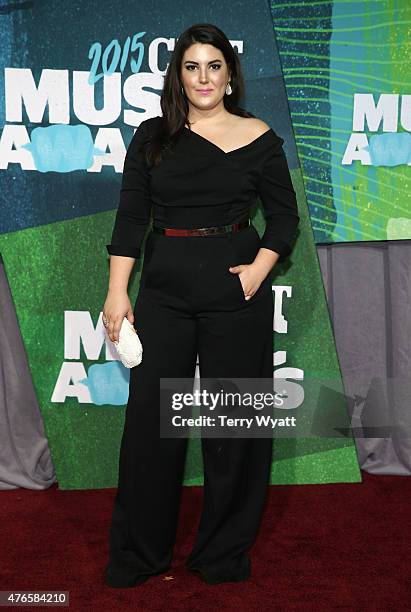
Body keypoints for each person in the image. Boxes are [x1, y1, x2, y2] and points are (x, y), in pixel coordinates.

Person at [102, 23, 300, 587]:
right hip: (163, 293)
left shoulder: (259, 136)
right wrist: (118, 292)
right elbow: (131, 220)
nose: (203, 77)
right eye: (192, 67)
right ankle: (140, 555)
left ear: (231, 75)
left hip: (236, 294)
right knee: (150, 427)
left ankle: (222, 553)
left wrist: (259, 270)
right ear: (178, 76)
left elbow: (283, 218)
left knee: (233, 425)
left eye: (214, 65)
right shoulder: (152, 137)